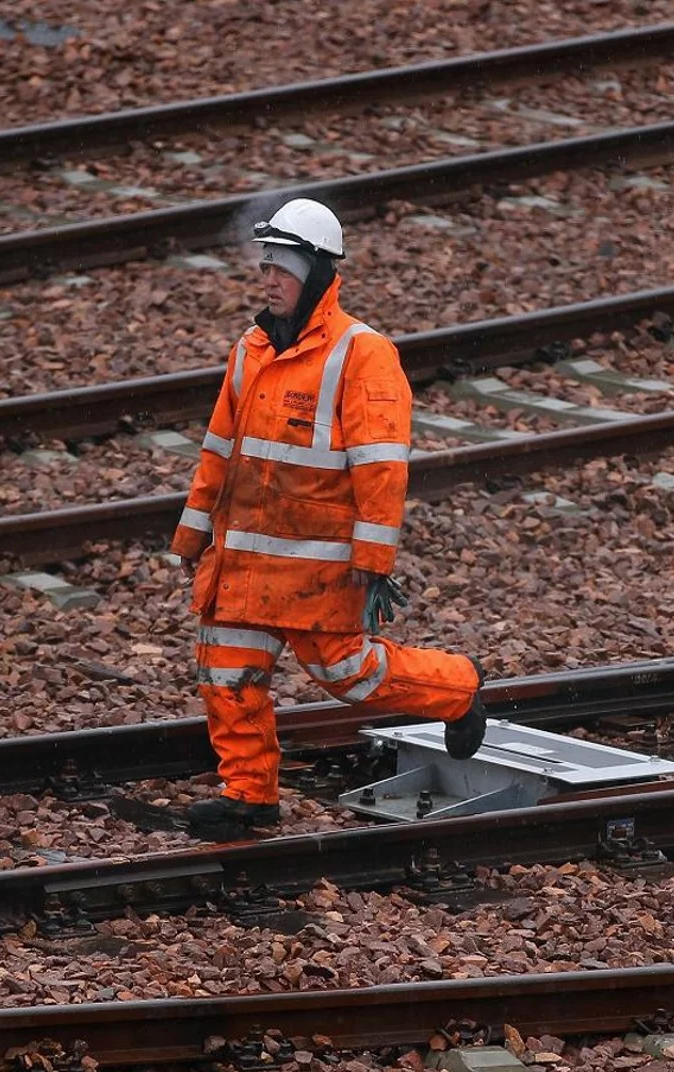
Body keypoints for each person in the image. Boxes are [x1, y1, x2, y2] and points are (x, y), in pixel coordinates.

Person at [168, 197, 488, 842]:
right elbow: (219, 449)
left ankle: (457, 688)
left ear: (315, 272)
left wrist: (372, 563)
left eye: (281, 268)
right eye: (266, 267)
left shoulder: (361, 353)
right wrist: (193, 530)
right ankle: (250, 795)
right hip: (243, 561)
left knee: (350, 675)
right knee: (228, 675)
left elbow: (381, 466)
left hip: (317, 567)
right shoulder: (251, 349)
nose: (269, 280)